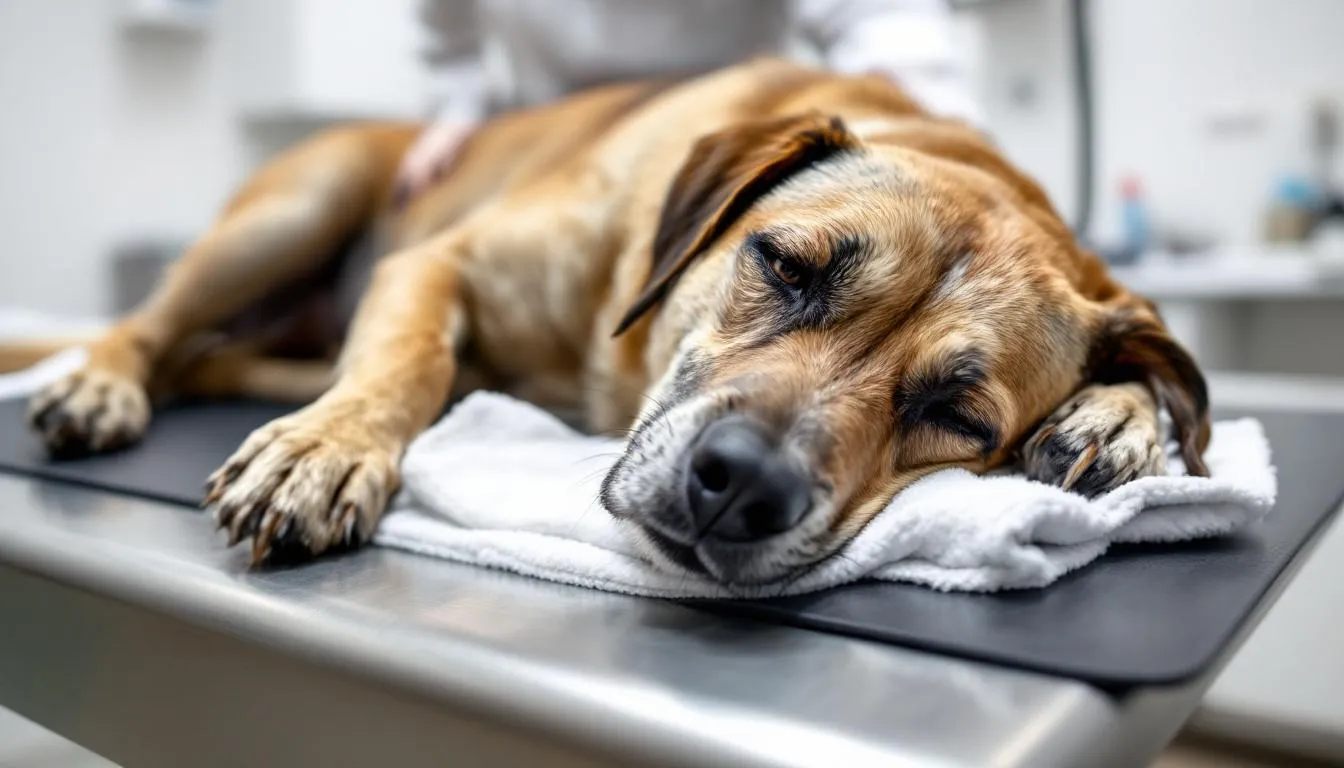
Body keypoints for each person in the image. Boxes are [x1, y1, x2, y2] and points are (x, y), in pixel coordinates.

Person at [395, 0, 979, 204]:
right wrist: (456, 101)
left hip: (713, 138)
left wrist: (927, 100)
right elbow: (445, 23)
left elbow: (877, 16)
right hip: (549, 129)